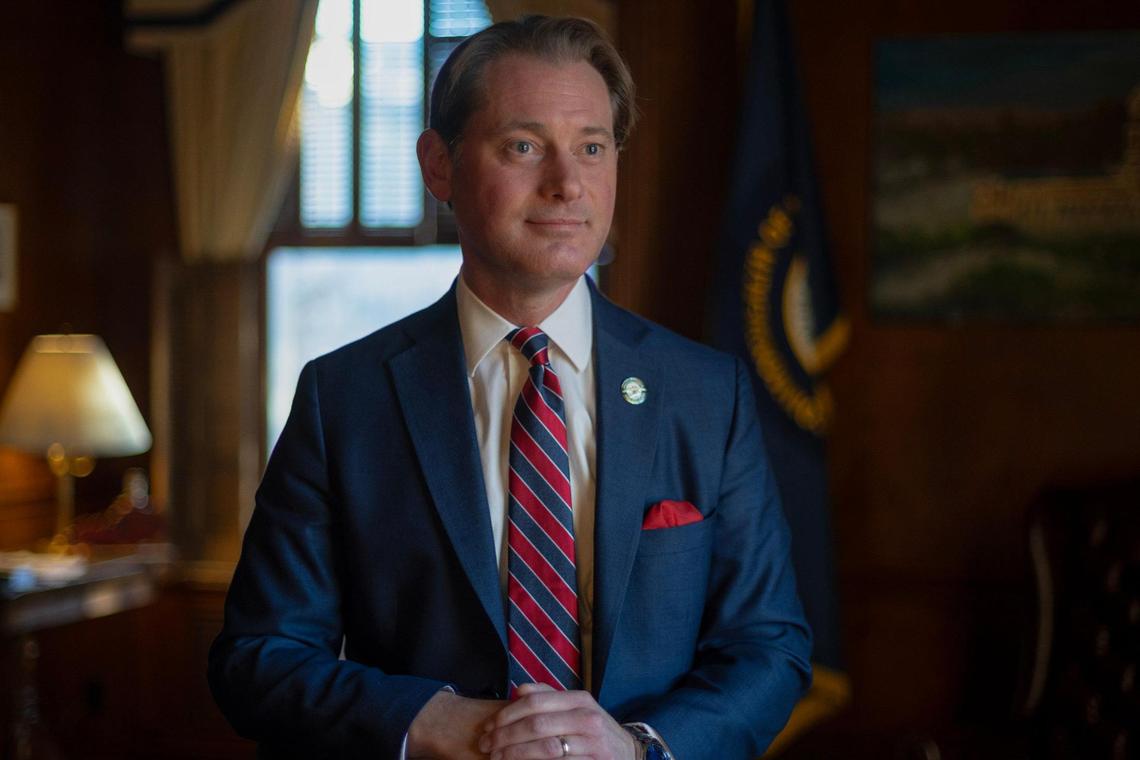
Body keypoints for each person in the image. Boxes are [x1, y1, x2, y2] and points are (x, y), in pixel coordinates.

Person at [208, 15, 811, 760]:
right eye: (524, 147)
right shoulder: (345, 399)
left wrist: (638, 747)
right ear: (439, 167)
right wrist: (432, 722)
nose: (567, 184)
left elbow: (769, 647)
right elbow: (258, 660)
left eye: (592, 147)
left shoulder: (706, 394)